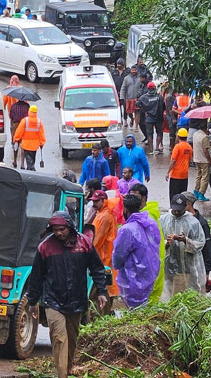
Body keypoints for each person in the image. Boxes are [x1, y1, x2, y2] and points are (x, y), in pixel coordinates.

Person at [24, 211, 109, 378]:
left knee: (71, 339)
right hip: (53, 301)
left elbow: (97, 269)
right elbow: (36, 276)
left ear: (70, 227)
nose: (59, 233)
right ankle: (62, 375)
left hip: (76, 301)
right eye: (55, 230)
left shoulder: (84, 244)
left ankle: (68, 369)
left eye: (62, 229)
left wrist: (102, 291)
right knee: (59, 338)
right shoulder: (45, 247)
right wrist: (33, 301)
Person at [111, 194, 161, 309]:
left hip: (133, 277)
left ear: (125, 209)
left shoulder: (127, 229)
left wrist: (117, 265)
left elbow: (118, 256)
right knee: (145, 306)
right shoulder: (151, 223)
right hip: (150, 273)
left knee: (133, 309)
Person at [160, 193, 207, 297]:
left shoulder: (193, 222)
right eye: (175, 209)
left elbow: (200, 243)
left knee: (189, 293)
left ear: (186, 206)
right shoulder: (163, 220)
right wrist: (166, 243)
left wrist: (185, 240)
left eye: (179, 210)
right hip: (169, 266)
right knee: (168, 293)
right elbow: (156, 242)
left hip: (188, 266)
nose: (176, 212)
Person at [13, 105, 46, 170]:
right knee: (32, 159)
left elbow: (19, 131)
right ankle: (31, 170)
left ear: (29, 111)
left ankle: (31, 171)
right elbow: (41, 134)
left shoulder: (25, 121)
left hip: (26, 145)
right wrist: (42, 143)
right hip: (35, 146)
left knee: (29, 161)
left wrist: (16, 139)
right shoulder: (39, 122)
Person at [136, 81, 165, 153]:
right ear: (154, 88)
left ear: (148, 88)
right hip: (158, 118)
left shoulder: (144, 97)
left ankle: (151, 149)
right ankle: (157, 148)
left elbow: (137, 103)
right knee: (159, 132)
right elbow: (163, 107)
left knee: (149, 134)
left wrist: (144, 110)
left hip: (149, 118)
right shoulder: (159, 97)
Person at [167, 128, 192, 200]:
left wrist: (168, 172)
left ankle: (173, 209)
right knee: (182, 195)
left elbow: (173, 161)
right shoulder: (189, 147)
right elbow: (190, 160)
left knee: (174, 195)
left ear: (178, 136)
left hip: (176, 175)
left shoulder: (177, 147)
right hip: (185, 175)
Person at [191, 124, 211, 202]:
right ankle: (201, 193)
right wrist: (209, 160)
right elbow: (205, 150)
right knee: (205, 177)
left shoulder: (195, 134)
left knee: (198, 175)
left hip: (196, 158)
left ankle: (196, 191)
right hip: (204, 160)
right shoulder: (204, 137)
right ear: (206, 129)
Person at [8, 97, 31, 166]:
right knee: (23, 144)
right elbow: (29, 116)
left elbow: (11, 116)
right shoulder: (27, 106)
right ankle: (22, 164)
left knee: (16, 143)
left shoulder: (13, 106)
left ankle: (15, 161)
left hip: (15, 125)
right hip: (25, 125)